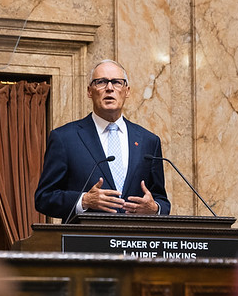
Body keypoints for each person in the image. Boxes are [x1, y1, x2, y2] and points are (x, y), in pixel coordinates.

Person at [35, 59, 170, 222]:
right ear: (89, 91)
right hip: (85, 242)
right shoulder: (65, 138)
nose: (110, 88)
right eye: (101, 82)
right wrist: (84, 201)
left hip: (134, 242)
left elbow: (161, 201)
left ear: (127, 91)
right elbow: (44, 198)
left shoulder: (148, 141)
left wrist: (154, 208)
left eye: (117, 82)